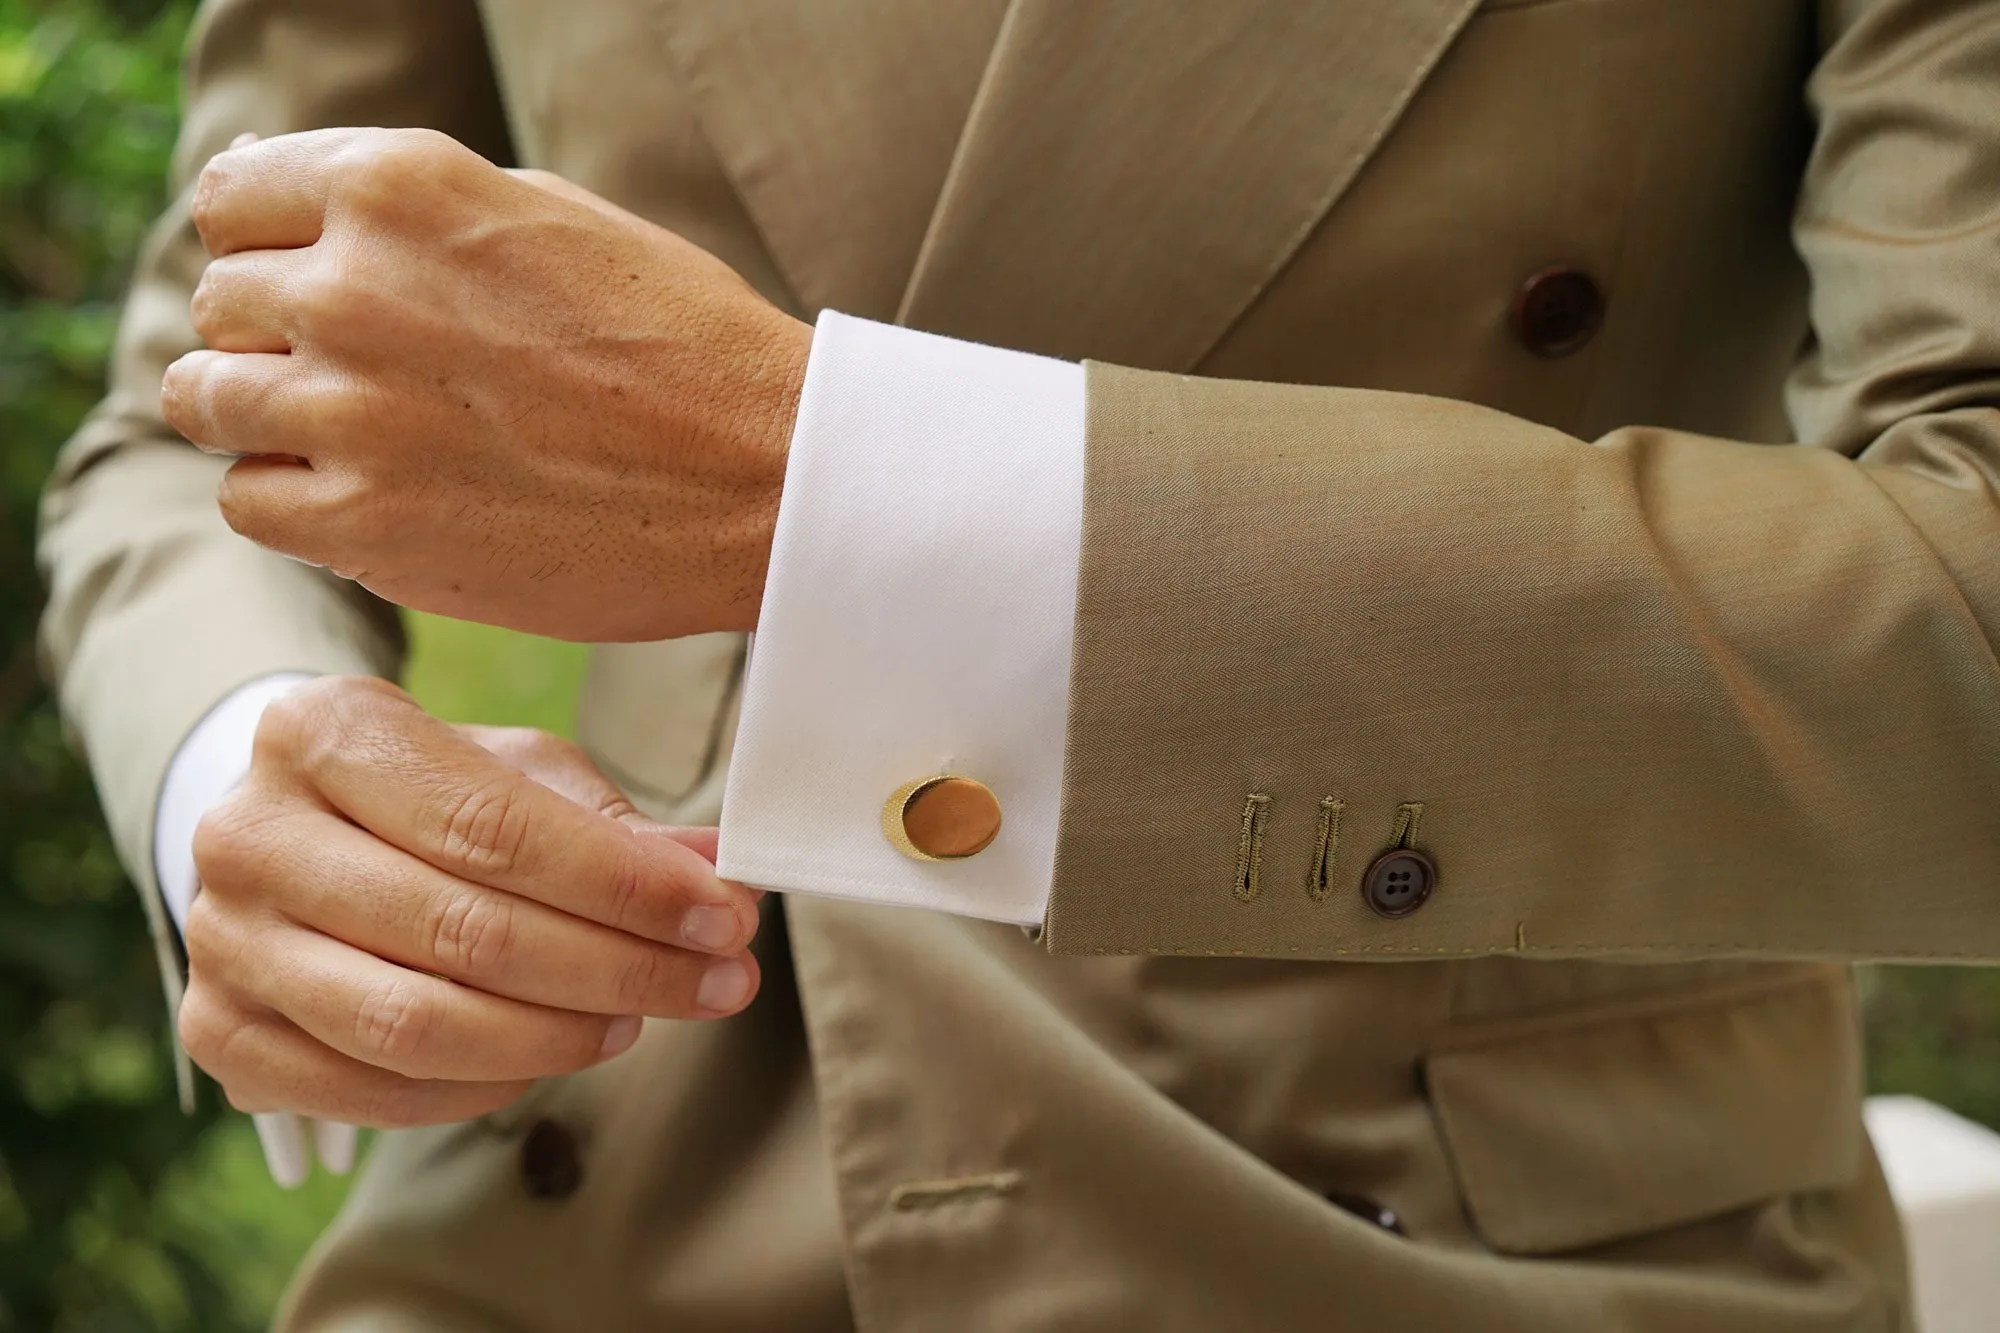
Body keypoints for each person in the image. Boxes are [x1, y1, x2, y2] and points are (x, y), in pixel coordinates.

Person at [38, 0, 2000, 1327]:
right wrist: (244, 773)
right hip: (609, 1164)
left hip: (1453, 1240)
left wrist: (837, 487)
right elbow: (194, 408)